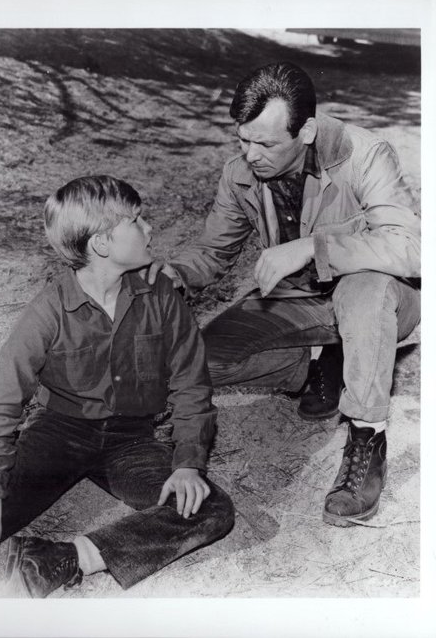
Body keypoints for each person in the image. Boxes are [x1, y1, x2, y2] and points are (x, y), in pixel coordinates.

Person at [148, 62, 421, 526]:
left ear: (307, 131)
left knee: (365, 289)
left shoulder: (365, 154)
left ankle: (366, 437)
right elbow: (213, 252)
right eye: (243, 140)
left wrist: (313, 247)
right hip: (299, 300)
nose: (251, 155)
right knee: (204, 361)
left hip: (379, 300)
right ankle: (320, 366)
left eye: (266, 144)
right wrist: (175, 272)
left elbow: (413, 249)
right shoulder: (240, 173)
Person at [0, 175, 234, 598]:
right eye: (136, 221)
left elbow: (192, 386)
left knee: (211, 509)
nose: (149, 228)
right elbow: (1, 406)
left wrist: (188, 463)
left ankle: (69, 558)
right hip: (58, 433)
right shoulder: (47, 311)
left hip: (132, 442)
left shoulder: (162, 295)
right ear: (102, 243)